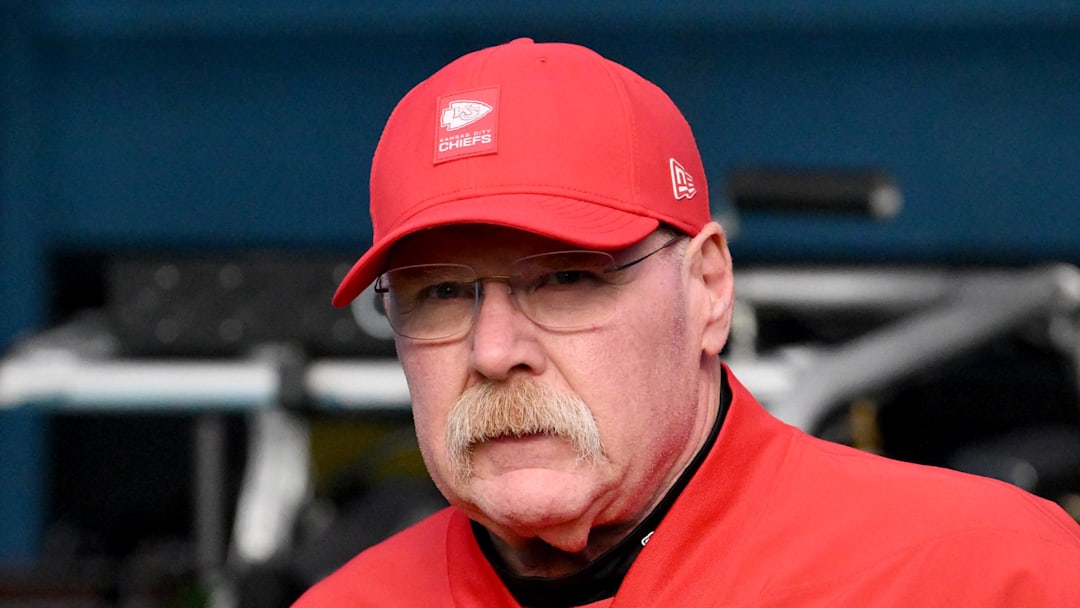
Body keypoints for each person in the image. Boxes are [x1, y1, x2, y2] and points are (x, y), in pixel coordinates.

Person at [294, 38, 1080, 607]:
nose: (495, 350)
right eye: (438, 295)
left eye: (567, 279)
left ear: (707, 289)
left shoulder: (986, 578)